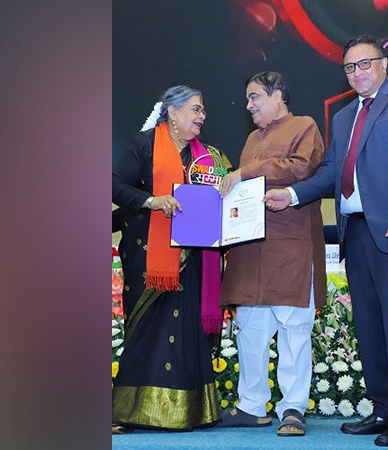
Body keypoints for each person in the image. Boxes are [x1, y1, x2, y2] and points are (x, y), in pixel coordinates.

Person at [264, 35, 388, 446]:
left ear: (384, 63)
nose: (357, 73)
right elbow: (332, 170)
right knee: (370, 325)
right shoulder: (342, 117)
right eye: (350, 67)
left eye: (365, 64)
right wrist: (294, 194)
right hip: (355, 232)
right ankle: (383, 409)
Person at [111, 85, 232, 432]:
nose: (202, 116)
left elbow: (228, 194)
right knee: (147, 328)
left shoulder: (209, 157)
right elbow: (115, 185)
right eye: (195, 109)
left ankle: (188, 412)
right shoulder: (144, 144)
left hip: (194, 257)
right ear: (172, 113)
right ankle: (127, 413)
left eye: (203, 110)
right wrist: (153, 201)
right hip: (149, 256)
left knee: (185, 328)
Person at [217, 71, 326, 436]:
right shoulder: (251, 138)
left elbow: (300, 167)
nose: (248, 106)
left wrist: (244, 171)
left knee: (294, 328)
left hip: (290, 246)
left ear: (278, 94)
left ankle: (293, 407)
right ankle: (252, 405)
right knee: (250, 328)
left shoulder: (304, 126)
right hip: (250, 249)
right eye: (248, 99)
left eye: (254, 97)